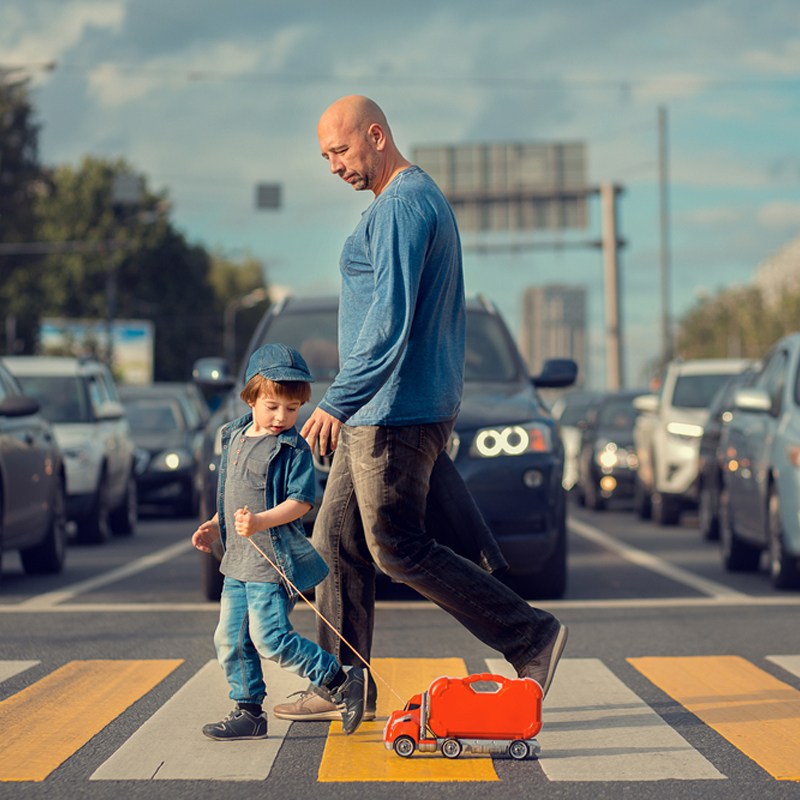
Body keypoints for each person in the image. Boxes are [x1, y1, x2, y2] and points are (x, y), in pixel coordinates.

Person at [272, 96, 568, 724]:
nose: (333, 166)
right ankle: (341, 681)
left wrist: (340, 400)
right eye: (325, 156)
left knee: (394, 547)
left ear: (376, 136)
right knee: (335, 541)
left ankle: (530, 636)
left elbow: (388, 322)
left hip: (394, 411)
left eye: (341, 150)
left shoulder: (404, 205)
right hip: (379, 410)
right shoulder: (396, 204)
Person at [191, 342, 366, 739]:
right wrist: (216, 524)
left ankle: (339, 679)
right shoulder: (233, 436)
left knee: (269, 637)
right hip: (237, 563)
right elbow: (234, 495)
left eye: (292, 408)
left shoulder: (293, 449)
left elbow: (301, 503)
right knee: (230, 639)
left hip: (272, 563)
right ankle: (249, 711)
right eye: (272, 406)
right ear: (251, 397)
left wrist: (260, 523)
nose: (281, 417)